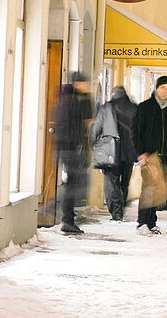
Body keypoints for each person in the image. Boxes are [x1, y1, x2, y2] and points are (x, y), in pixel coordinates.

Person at [131, 75, 167, 235]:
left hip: (164, 154)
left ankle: (151, 222)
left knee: (157, 189)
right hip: (149, 154)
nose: (165, 91)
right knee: (148, 188)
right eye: (162, 87)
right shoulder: (145, 107)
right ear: (156, 89)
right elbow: (135, 131)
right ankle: (142, 222)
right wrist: (140, 152)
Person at [90, 85, 137, 221]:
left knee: (111, 183)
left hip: (110, 152)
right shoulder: (135, 108)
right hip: (129, 154)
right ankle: (121, 208)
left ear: (113, 95)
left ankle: (116, 212)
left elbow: (96, 129)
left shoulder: (106, 108)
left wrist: (94, 145)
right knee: (124, 182)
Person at [55, 71, 94, 234]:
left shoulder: (67, 99)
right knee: (74, 184)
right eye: (83, 83)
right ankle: (66, 219)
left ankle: (67, 217)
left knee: (75, 183)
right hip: (70, 147)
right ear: (77, 84)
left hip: (69, 147)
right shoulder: (72, 101)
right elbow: (88, 118)